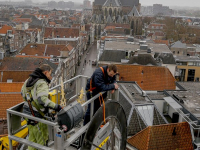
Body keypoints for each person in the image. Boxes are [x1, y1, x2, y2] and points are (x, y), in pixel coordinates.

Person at [21, 64, 62, 150]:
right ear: (46, 73)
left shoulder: (28, 80)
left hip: (27, 115)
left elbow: (22, 93)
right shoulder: (42, 83)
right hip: (37, 117)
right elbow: (42, 99)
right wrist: (56, 107)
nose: (51, 77)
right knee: (42, 142)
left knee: (32, 140)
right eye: (50, 74)